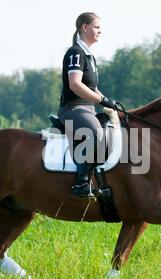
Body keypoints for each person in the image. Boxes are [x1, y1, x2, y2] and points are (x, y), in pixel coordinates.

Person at [58, 12, 118, 199]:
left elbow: (92, 87)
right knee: (94, 133)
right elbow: (75, 84)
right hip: (73, 108)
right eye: (97, 27)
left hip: (87, 109)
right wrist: (100, 100)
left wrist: (107, 100)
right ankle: (81, 183)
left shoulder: (90, 56)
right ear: (84, 28)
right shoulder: (76, 52)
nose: (100, 31)